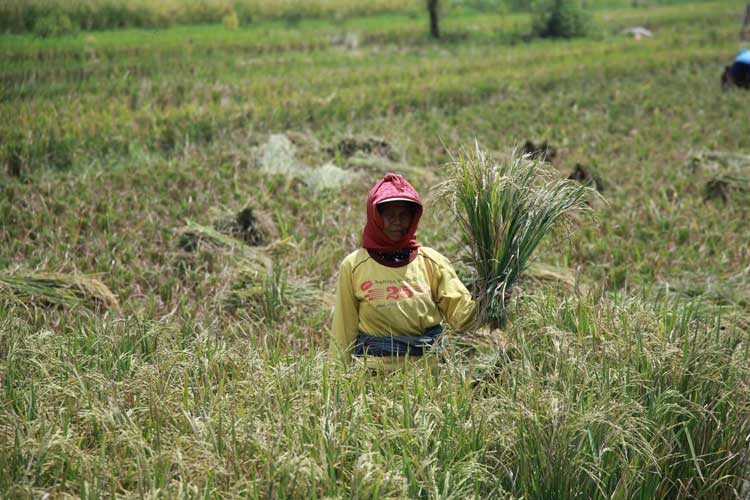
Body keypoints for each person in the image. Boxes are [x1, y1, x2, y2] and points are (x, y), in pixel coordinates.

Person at [330, 172, 476, 371]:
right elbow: (343, 328)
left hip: (426, 374)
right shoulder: (355, 265)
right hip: (373, 377)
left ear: (413, 218)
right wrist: (336, 378)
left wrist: (490, 300)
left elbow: (461, 316)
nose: (397, 222)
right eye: (389, 215)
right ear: (376, 218)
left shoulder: (431, 262)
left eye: (403, 215)